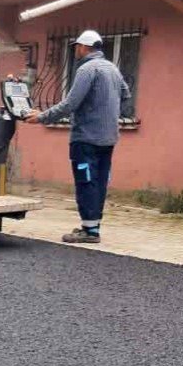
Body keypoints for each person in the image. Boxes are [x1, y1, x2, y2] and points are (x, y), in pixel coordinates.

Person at [23, 28, 133, 244]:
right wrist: (106, 111)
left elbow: (71, 103)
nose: (76, 52)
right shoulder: (112, 69)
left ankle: (90, 232)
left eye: (77, 48)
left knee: (86, 181)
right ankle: (92, 225)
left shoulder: (87, 69)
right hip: (108, 137)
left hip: (86, 137)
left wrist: (42, 117)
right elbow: (126, 95)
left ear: (83, 47)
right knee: (99, 181)